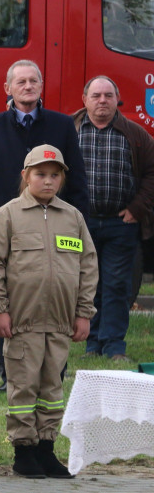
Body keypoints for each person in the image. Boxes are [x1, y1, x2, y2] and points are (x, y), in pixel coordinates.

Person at [0, 60, 88, 391]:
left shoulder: (62, 126)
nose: (28, 86)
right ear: (8, 88)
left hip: (54, 228)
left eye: (34, 80)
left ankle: (52, 373)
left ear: (41, 86)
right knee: (7, 297)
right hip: (7, 229)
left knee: (50, 297)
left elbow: (76, 180)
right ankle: (9, 376)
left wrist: (76, 229)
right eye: (20, 81)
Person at [0, 145, 96, 479]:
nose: (48, 181)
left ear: (62, 178)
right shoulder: (8, 215)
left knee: (52, 387)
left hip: (60, 322)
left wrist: (83, 312)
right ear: (25, 176)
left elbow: (87, 266)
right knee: (23, 386)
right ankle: (23, 451)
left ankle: (46, 448)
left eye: (54, 175)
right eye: (40, 174)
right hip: (22, 321)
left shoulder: (72, 217)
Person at [72, 76, 154, 360]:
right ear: (85, 99)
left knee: (117, 285)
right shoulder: (69, 129)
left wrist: (138, 208)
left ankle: (114, 346)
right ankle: (92, 345)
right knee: (87, 286)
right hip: (81, 225)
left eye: (108, 95)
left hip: (122, 224)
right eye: (96, 96)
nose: (102, 101)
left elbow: (152, 174)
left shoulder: (135, 134)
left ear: (117, 99)